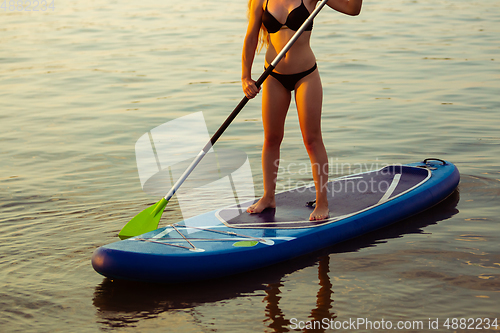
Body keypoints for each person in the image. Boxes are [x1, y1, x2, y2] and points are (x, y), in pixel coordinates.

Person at [242, 0, 362, 220]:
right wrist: (245, 77)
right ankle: (268, 196)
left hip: (306, 75)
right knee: (271, 139)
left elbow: (353, 9)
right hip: (273, 76)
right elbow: (251, 37)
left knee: (312, 140)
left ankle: (322, 202)